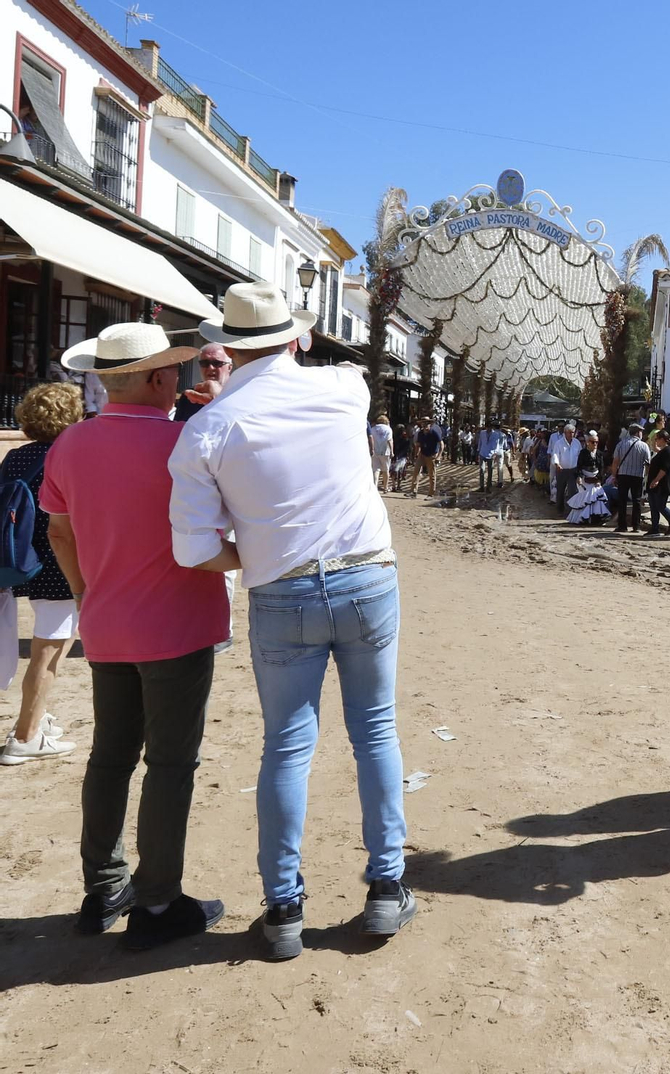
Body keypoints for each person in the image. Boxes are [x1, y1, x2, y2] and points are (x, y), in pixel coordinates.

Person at [170, 281, 416, 960]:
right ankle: (387, 886)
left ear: (227, 347)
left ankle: (282, 908)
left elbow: (193, 551)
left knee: (286, 746)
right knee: (375, 730)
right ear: (296, 336)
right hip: (366, 573)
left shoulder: (206, 430)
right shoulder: (345, 388)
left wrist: (254, 548)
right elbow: (336, 381)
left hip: (279, 591)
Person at [47, 322, 230, 948]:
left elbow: (59, 532)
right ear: (158, 378)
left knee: (110, 757)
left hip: (106, 622)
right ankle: (156, 904)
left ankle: (103, 889)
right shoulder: (185, 444)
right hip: (177, 625)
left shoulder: (69, 445)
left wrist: (83, 592)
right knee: (170, 765)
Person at [0, 384, 83, 766]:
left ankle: (36, 717)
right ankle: (25, 736)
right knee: (48, 653)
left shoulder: (16, 457)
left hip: (14, 558)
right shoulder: (71, 458)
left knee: (40, 651)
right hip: (55, 562)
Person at [172, 343, 231, 421]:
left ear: (229, 367)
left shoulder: (238, 393)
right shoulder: (189, 397)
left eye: (217, 363)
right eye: (204, 363)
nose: (210, 368)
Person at [612, 422, 650, 534]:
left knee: (622, 500)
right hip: (638, 476)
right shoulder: (644, 446)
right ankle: (636, 526)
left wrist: (614, 476)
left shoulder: (621, 444)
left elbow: (615, 461)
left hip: (623, 475)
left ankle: (622, 525)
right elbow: (648, 464)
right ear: (638, 433)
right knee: (636, 501)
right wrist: (646, 477)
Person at [644, 430, 670, 536]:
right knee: (653, 506)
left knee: (660, 505)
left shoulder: (668, 451)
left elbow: (664, 468)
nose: (656, 440)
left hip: (662, 484)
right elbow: (657, 450)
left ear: (663, 439)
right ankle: (655, 528)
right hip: (654, 484)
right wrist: (653, 442)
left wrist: (656, 480)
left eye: (657, 439)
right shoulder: (663, 451)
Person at [551, 423, 580, 508]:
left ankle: (572, 510)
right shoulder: (559, 443)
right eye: (569, 432)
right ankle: (560, 509)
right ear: (565, 432)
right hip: (562, 470)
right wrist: (557, 464)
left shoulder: (577, 443)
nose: (571, 434)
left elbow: (580, 455)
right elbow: (555, 454)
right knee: (560, 490)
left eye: (573, 432)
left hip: (573, 470)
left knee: (572, 491)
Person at [412, 420, 442, 497]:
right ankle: (413, 491)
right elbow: (418, 444)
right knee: (416, 471)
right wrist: (416, 455)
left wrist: (439, 456)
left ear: (430, 424)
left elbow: (441, 444)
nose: (425, 425)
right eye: (424, 424)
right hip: (422, 453)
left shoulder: (434, 432)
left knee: (431, 474)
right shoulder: (420, 433)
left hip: (431, 454)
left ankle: (431, 493)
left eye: (427, 424)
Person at [369, 415, 393, 492]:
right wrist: (392, 451)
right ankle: (385, 487)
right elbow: (390, 440)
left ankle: (375, 486)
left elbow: (370, 438)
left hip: (375, 451)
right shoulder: (388, 429)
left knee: (376, 469)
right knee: (386, 470)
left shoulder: (373, 429)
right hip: (385, 451)